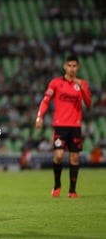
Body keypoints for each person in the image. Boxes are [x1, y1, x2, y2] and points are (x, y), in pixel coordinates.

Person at [36, 55, 91, 198]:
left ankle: (72, 191)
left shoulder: (82, 84)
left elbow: (89, 103)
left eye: (74, 66)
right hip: (60, 125)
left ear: (78, 67)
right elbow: (46, 100)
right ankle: (57, 185)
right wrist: (39, 116)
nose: (72, 68)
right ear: (64, 66)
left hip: (75, 126)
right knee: (59, 155)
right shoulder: (55, 83)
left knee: (74, 158)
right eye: (69, 65)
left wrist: (82, 87)